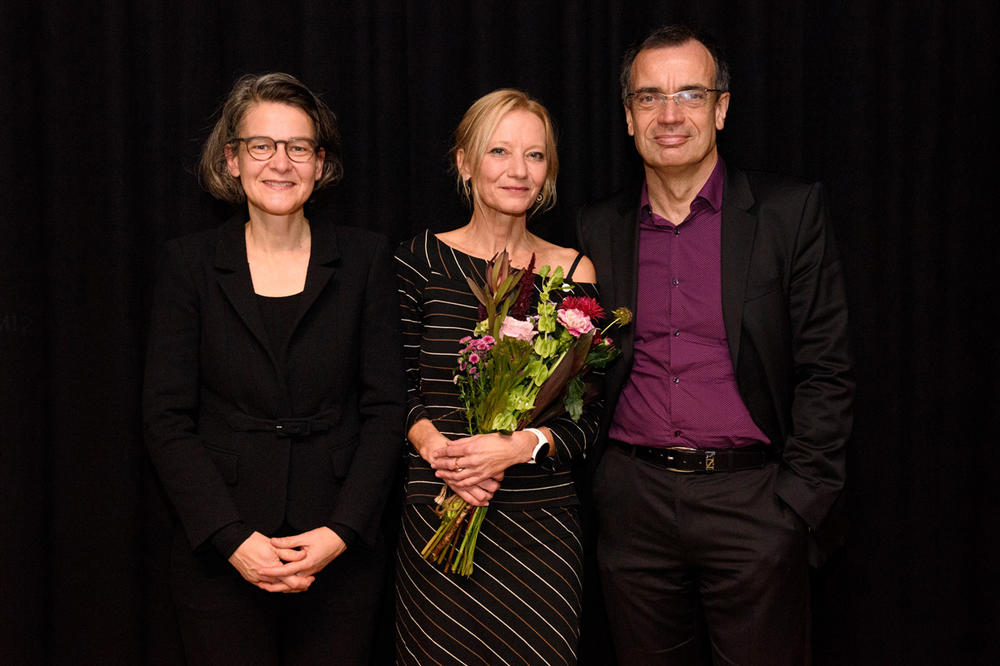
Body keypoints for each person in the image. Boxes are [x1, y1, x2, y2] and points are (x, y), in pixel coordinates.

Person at [577, 25, 854, 665]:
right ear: (627, 117)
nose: (669, 114)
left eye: (690, 95)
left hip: (754, 506)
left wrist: (796, 504)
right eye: (649, 98)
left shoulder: (789, 213)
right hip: (633, 507)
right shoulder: (599, 227)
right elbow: (585, 370)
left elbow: (826, 369)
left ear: (721, 109)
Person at [143, 72, 405, 665]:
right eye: (261, 146)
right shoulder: (188, 265)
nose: (279, 163)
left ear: (320, 163)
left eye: (299, 147)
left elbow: (387, 410)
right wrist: (232, 539)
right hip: (221, 552)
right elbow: (165, 418)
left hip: (338, 551)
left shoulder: (364, 259)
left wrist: (341, 533)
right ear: (232, 160)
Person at [394, 88, 601, 665]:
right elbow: (390, 390)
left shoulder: (574, 272)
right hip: (439, 511)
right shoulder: (419, 260)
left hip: (541, 529)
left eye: (535, 156)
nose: (518, 170)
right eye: (499, 151)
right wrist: (444, 454)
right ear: (465, 162)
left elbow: (591, 416)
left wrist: (515, 447)